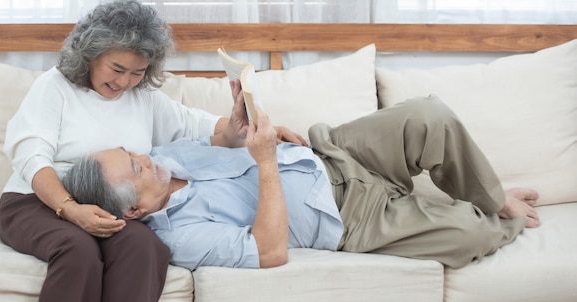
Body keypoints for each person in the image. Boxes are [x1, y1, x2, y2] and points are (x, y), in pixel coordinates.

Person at [0, 0, 303, 302]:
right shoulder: (56, 86)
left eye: (137, 72)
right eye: (117, 68)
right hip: (36, 201)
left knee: (146, 247)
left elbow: (195, 124)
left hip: (110, 207)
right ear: (90, 55)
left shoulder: (142, 97)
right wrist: (71, 209)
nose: (124, 82)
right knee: (78, 249)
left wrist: (265, 129)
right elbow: (30, 157)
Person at [62, 90, 540, 272]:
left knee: (427, 114)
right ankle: (491, 214)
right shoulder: (181, 238)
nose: (146, 156)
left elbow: (220, 142)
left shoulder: (167, 158)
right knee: (469, 234)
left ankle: (492, 197)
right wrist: (267, 161)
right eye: (136, 167)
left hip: (331, 151)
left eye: (133, 151)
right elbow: (269, 252)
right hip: (347, 216)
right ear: (132, 211)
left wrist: (239, 125)